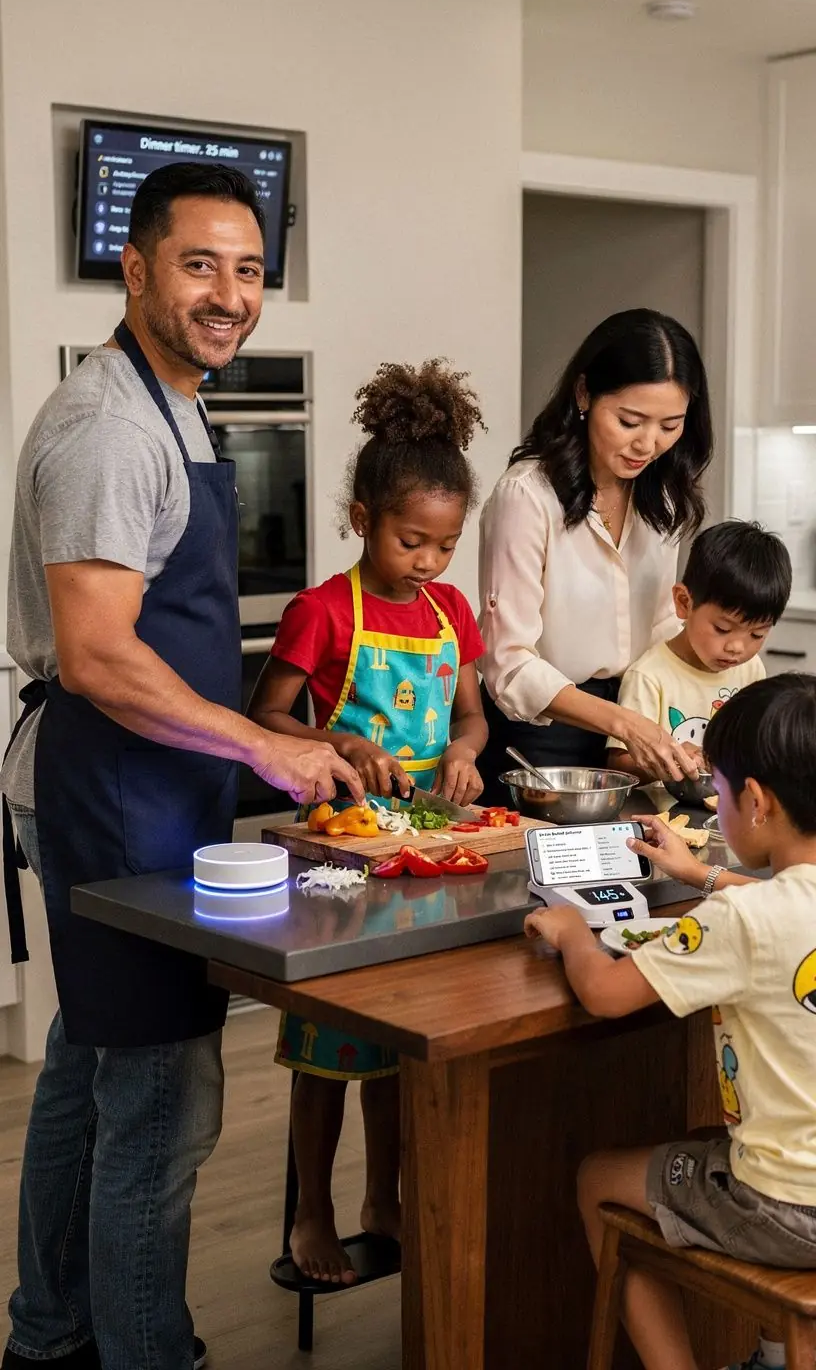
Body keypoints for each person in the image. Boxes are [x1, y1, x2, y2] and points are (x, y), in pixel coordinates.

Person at [0, 163, 362, 1370]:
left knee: (88, 1073)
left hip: (148, 786)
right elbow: (103, 658)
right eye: (200, 263)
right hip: (112, 793)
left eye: (249, 270)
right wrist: (261, 741)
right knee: (160, 1106)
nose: (229, 294)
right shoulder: (109, 425)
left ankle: (50, 1338)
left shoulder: (174, 399)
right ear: (137, 267)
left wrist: (286, 741)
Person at [248, 358, 488, 1285]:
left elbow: (470, 715)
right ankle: (311, 1213)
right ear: (362, 521)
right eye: (408, 542)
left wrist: (466, 752)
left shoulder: (451, 613)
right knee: (328, 1047)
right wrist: (341, 739)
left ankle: (382, 1197)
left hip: (427, 849)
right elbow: (264, 720)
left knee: (404, 1043)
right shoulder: (321, 612)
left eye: (442, 545)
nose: (426, 562)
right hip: (341, 858)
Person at [525, 674, 816, 1370]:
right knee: (697, 1142)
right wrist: (703, 875)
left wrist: (570, 934)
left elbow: (606, 995)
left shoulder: (741, 922)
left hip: (785, 1210)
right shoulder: (755, 905)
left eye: (717, 791)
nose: (716, 802)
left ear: (756, 801)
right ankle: (776, 1354)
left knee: (599, 1178)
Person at [477, 308, 714, 805]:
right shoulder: (528, 496)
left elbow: (661, 626)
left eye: (671, 425)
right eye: (629, 421)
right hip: (542, 734)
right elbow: (509, 662)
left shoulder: (661, 499)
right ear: (584, 394)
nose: (648, 444)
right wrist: (625, 723)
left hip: (630, 730)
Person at [608, 520, 792, 780]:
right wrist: (671, 760)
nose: (737, 648)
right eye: (722, 629)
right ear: (684, 603)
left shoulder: (751, 669)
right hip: (663, 813)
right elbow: (619, 762)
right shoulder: (649, 676)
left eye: (757, 634)